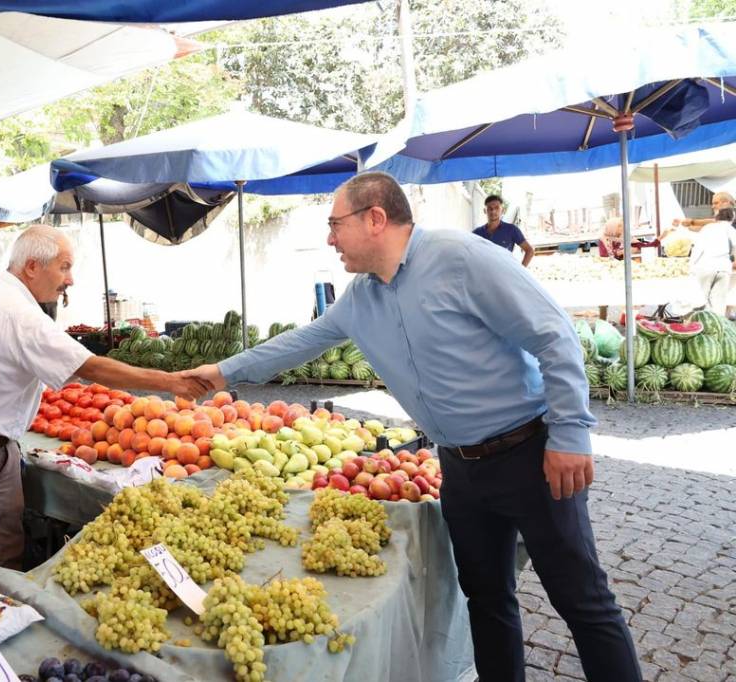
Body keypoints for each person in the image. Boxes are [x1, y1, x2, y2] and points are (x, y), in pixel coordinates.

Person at [183, 171, 641, 682]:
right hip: (459, 470)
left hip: (531, 455)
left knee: (583, 601)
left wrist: (571, 433)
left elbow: (554, 335)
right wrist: (223, 372)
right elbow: (303, 342)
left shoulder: (462, 258)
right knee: (486, 600)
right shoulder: (360, 298)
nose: (330, 238)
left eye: (335, 224)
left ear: (375, 218)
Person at [0, 225, 211, 568]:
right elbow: (90, 367)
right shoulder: (19, 313)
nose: (70, 280)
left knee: (2, 537)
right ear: (32, 267)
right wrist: (170, 382)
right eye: (64, 267)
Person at [686, 207, 736, 314]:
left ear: (717, 217)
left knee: (700, 300)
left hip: (705, 266)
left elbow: (698, 248)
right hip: (724, 268)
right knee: (719, 302)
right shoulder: (732, 230)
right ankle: (718, 327)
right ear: (732, 219)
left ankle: (699, 324)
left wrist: (691, 266)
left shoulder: (708, 228)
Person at [472, 193, 535, 267]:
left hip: (505, 274)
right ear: (485, 211)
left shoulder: (511, 230)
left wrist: (520, 271)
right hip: (484, 274)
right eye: (490, 208)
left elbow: (529, 250)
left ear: (502, 210)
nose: (493, 211)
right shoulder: (477, 233)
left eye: (497, 208)